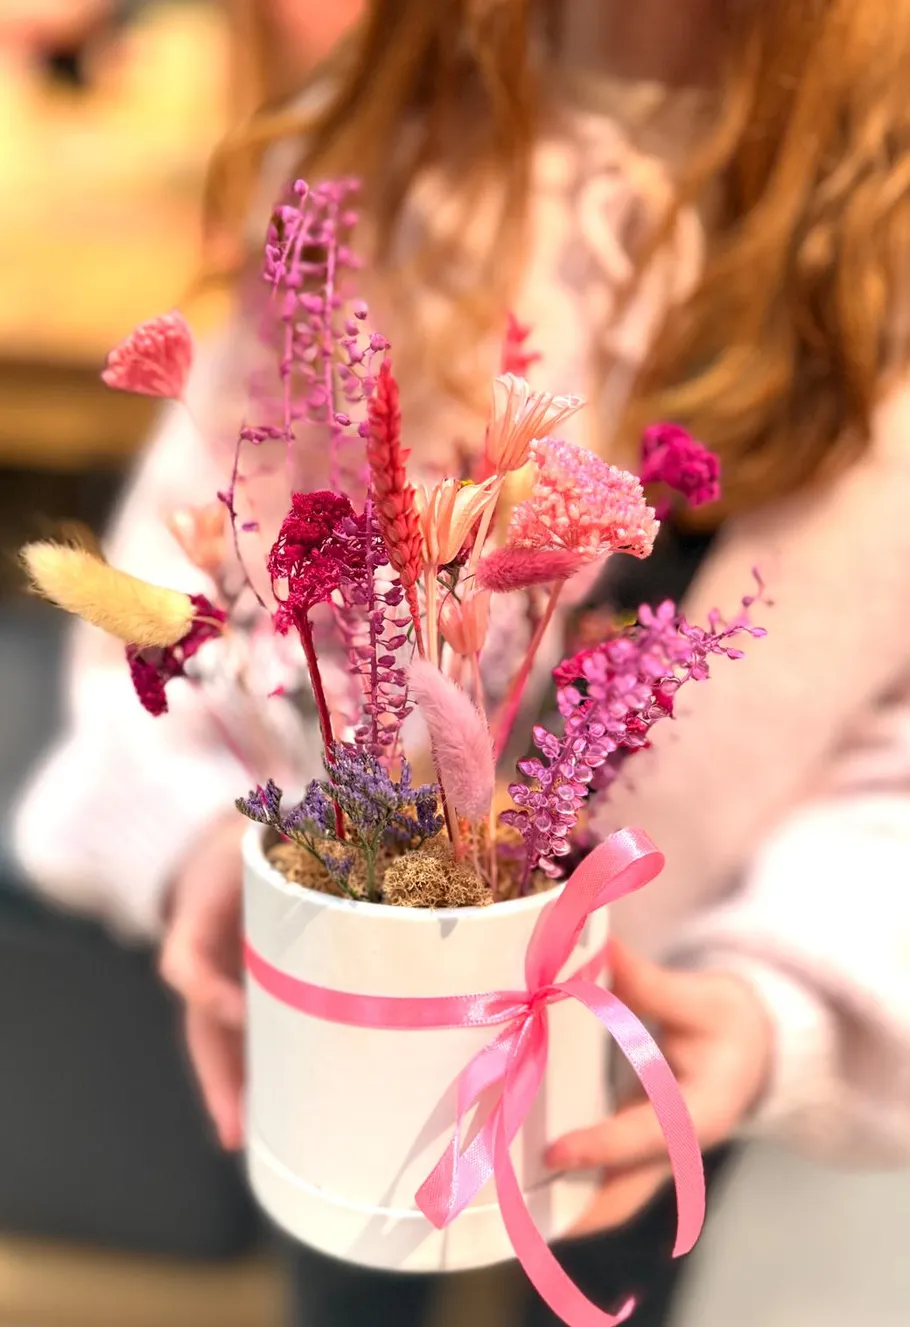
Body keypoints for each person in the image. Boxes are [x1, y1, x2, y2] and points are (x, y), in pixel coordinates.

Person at [13, 0, 910, 1323]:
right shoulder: (362, 156)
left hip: (655, 1009)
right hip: (345, 970)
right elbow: (182, 575)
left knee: (604, 1273)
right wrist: (204, 835)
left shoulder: (871, 215)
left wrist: (780, 1000)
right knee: (352, 1265)